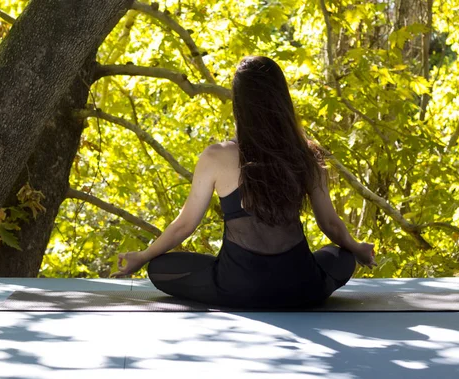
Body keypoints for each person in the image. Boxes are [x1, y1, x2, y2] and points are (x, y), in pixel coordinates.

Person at [110, 55, 376, 308]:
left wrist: (143, 257)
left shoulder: (217, 155)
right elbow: (329, 223)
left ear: (239, 103)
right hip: (300, 288)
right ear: (282, 99)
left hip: (236, 288)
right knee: (342, 257)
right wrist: (357, 248)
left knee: (159, 268)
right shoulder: (305, 155)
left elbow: (185, 226)